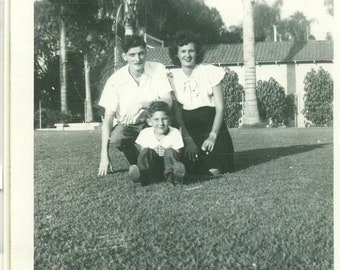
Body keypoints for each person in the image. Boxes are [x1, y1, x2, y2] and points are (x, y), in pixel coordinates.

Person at [98, 35, 172, 176]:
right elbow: (108, 119)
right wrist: (104, 156)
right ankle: (137, 164)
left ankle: (158, 165)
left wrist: (142, 105)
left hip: (154, 122)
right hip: (129, 126)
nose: (137, 59)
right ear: (124, 56)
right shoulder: (115, 80)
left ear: (146, 52)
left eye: (141, 53)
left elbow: (168, 101)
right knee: (117, 137)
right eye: (132, 55)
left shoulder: (158, 69)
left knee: (159, 152)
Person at [168, 31, 234, 176]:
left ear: (197, 52)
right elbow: (178, 113)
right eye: (183, 51)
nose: (187, 55)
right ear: (176, 54)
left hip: (212, 129)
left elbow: (220, 108)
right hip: (190, 132)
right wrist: (188, 140)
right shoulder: (172, 78)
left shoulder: (210, 72)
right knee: (189, 168)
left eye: (191, 50)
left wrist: (212, 136)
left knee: (212, 169)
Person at [128, 101, 186, 185]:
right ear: (149, 121)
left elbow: (178, 152)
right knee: (147, 151)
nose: (161, 123)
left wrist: (166, 151)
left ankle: (174, 177)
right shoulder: (145, 133)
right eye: (156, 119)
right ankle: (141, 176)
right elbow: (143, 153)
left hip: (168, 166)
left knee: (170, 151)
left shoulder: (175, 132)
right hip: (153, 168)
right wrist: (155, 151)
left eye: (164, 119)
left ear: (170, 120)